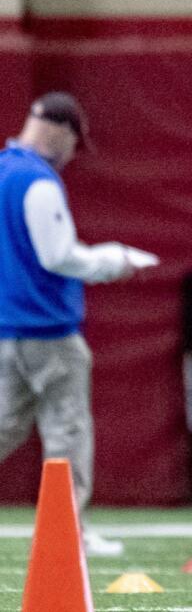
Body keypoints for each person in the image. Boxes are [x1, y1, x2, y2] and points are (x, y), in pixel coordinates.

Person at [0, 92, 159, 557]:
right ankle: (69, 532)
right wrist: (114, 260)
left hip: (7, 328)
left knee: (5, 426)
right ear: (61, 132)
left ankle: (68, 529)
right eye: (73, 143)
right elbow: (59, 257)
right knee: (67, 431)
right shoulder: (37, 181)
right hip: (47, 329)